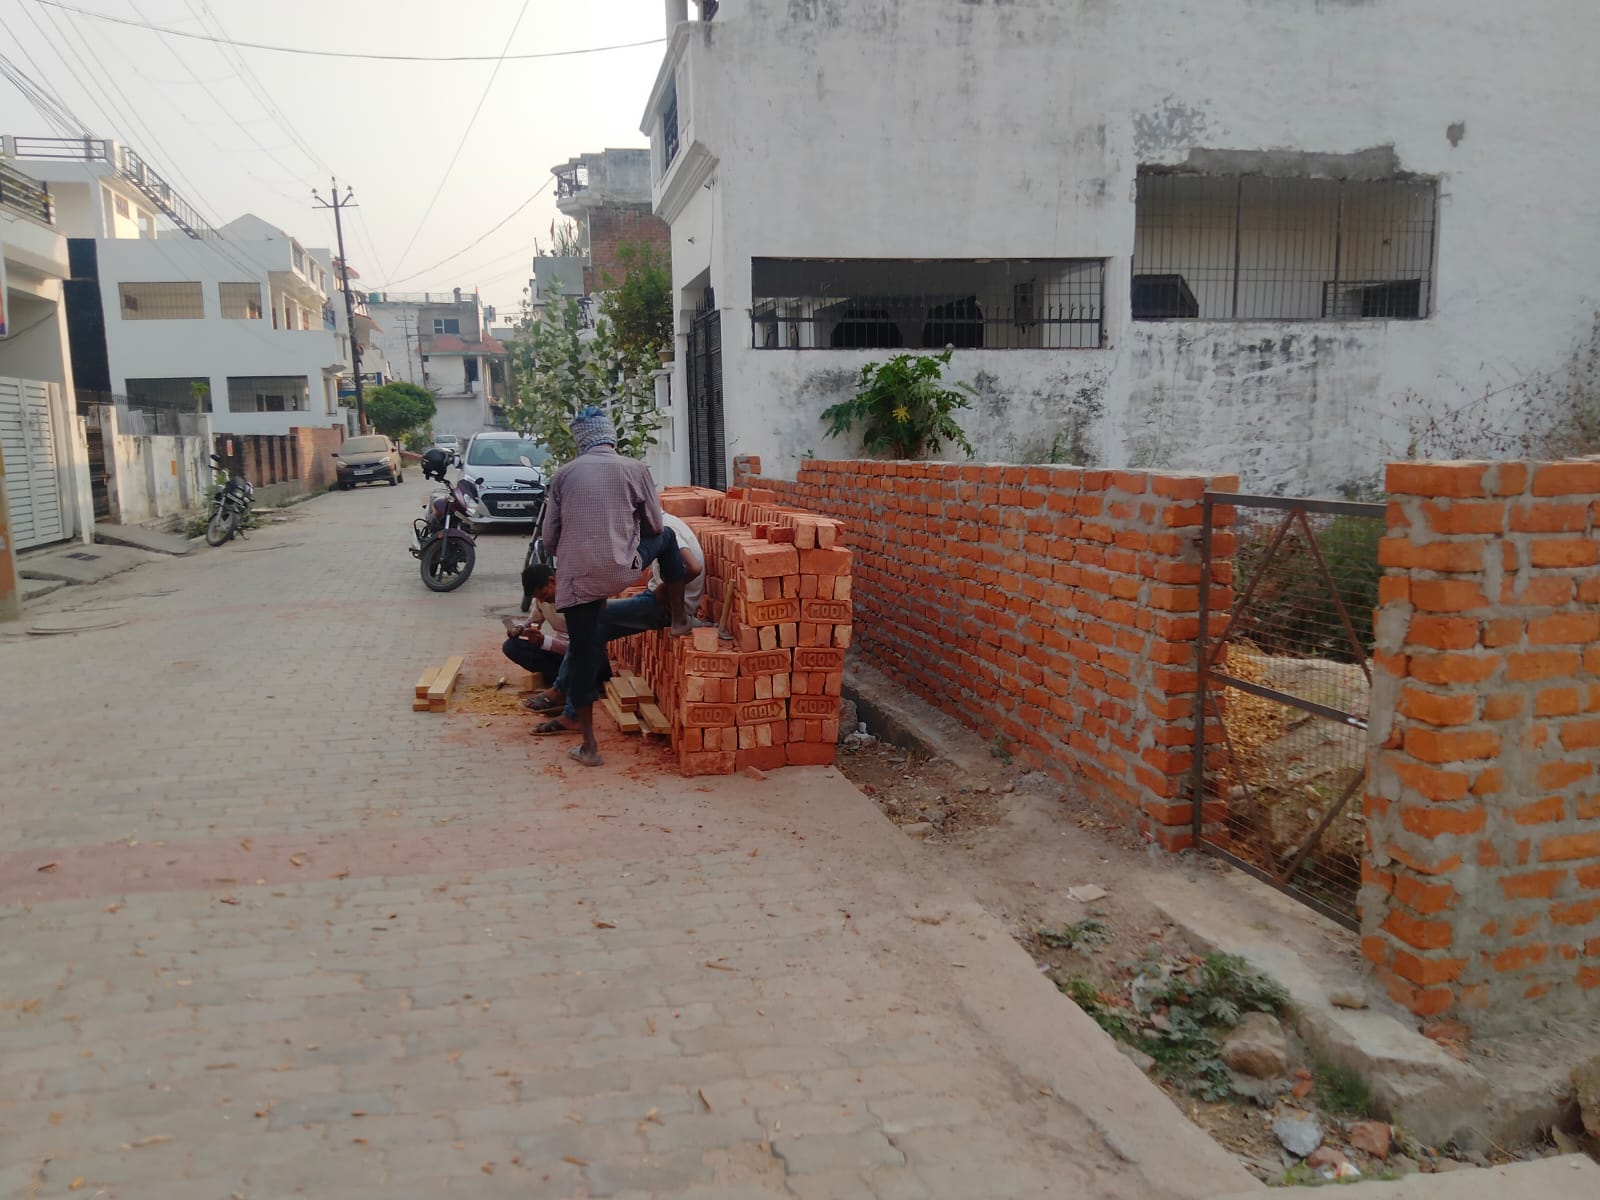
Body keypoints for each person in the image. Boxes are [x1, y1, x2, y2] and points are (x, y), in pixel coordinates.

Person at [541, 406, 689, 767]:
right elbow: (655, 526)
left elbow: (549, 540)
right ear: (610, 437)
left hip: (578, 580)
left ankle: (590, 747)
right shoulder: (636, 469)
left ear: (580, 442)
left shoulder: (563, 476)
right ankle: (680, 619)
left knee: (583, 654)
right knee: (669, 538)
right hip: (623, 568)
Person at [528, 513, 705, 736]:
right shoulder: (659, 523)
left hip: (663, 606)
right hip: (657, 600)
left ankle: (563, 695)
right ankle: (570, 706)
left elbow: (693, 567)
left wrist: (662, 589)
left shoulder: (665, 529)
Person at [502, 564, 568, 691]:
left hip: (583, 654)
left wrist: (544, 640)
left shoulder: (574, 599)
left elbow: (579, 648)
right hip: (561, 653)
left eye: (543, 595)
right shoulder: (541, 601)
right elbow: (533, 621)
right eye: (537, 598)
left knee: (582, 659)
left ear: (552, 581)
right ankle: (561, 676)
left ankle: (564, 678)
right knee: (511, 646)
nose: (542, 601)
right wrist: (520, 629)